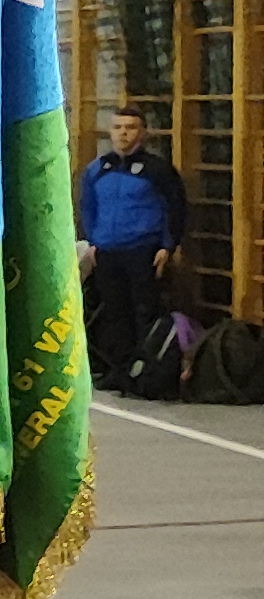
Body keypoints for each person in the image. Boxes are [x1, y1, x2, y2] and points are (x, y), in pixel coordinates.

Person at [77, 104, 185, 388]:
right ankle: (119, 371)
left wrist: (168, 245)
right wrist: (92, 242)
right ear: (110, 132)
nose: (123, 133)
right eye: (118, 127)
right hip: (106, 252)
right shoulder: (97, 169)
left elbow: (175, 208)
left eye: (130, 128)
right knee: (115, 314)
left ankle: (148, 373)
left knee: (145, 312)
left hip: (143, 251)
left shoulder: (158, 170)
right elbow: (87, 208)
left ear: (143, 132)